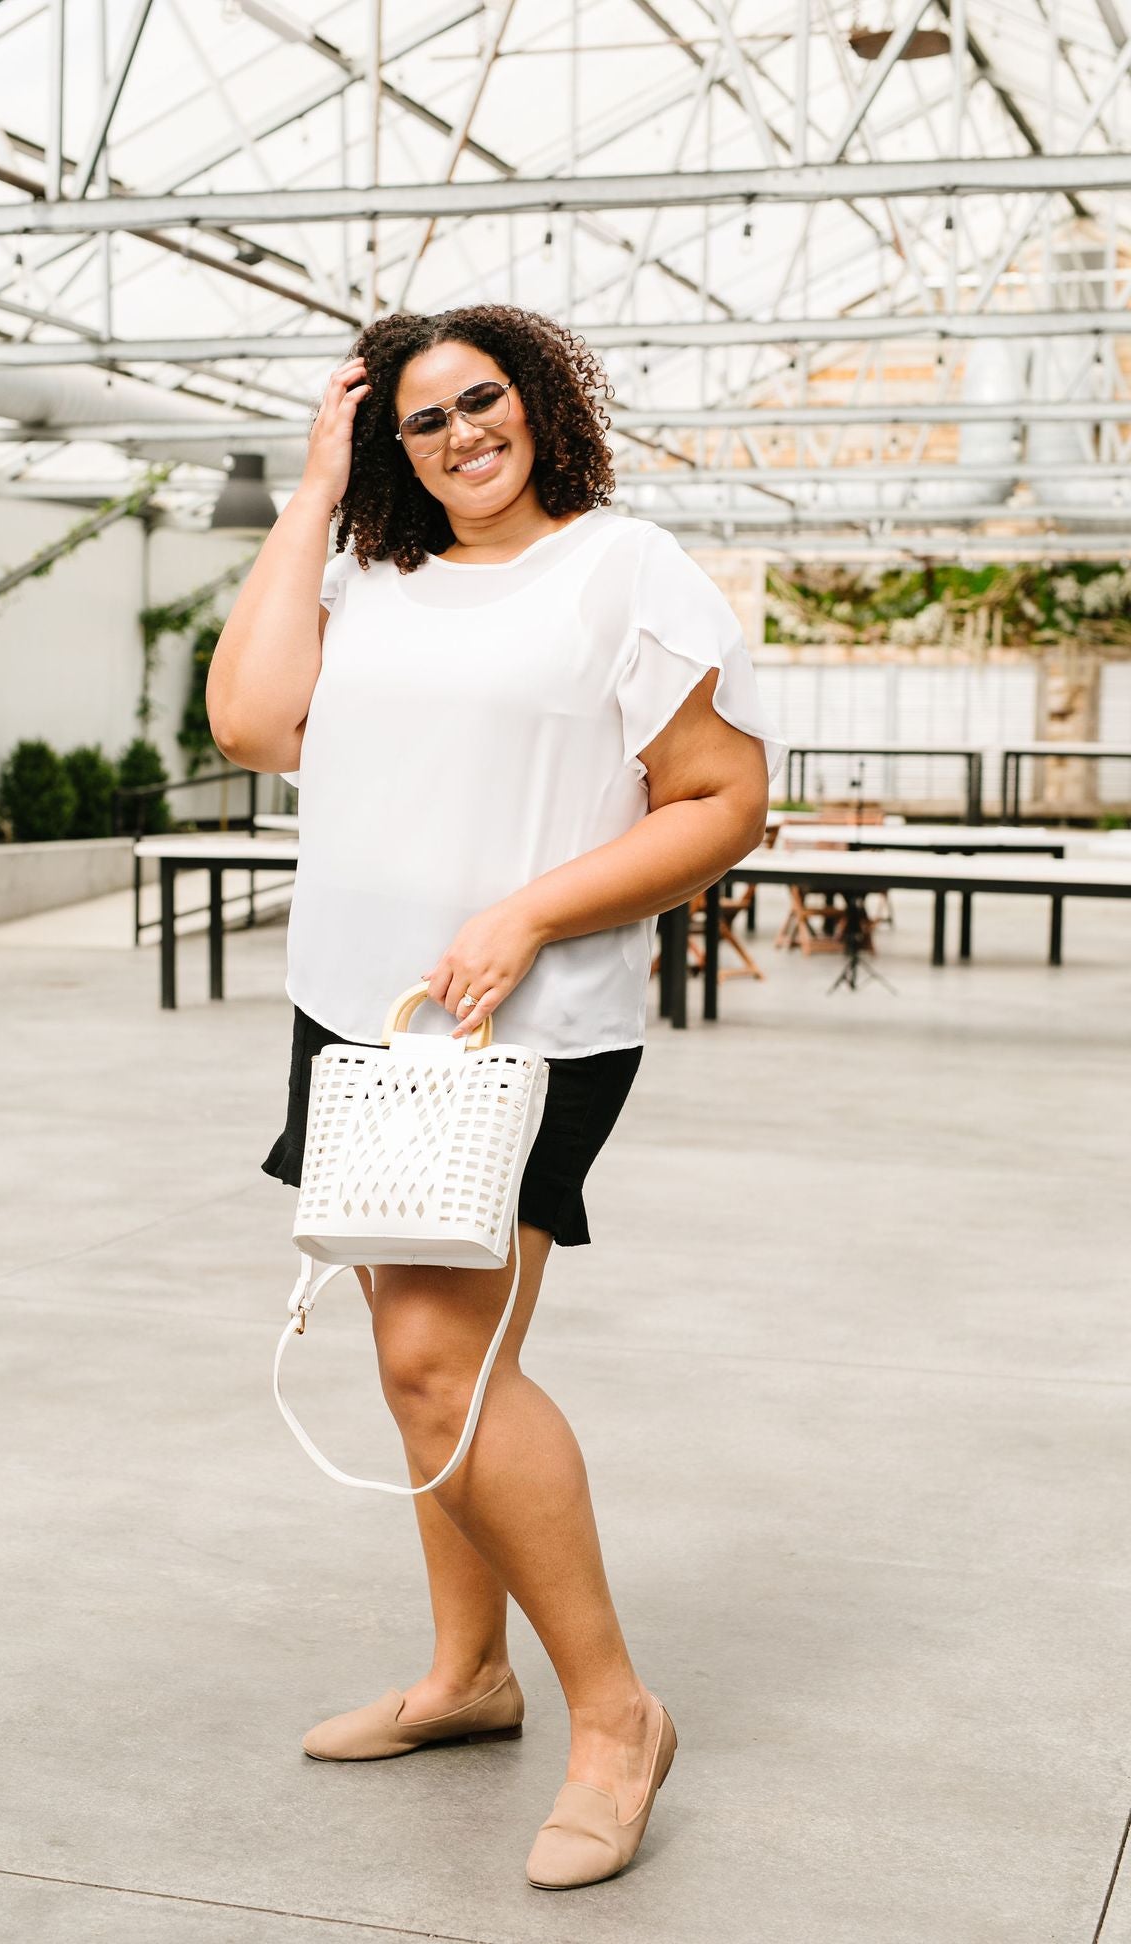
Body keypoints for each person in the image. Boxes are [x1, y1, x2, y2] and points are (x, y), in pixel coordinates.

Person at [207, 305, 784, 1891]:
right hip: (365, 1018)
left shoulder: (622, 570)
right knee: (435, 1376)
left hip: (530, 1025)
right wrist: (317, 489)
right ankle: (467, 1676)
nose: (464, 432)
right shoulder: (365, 575)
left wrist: (530, 910)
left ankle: (617, 1717)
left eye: (486, 398)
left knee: (431, 1364)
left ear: (540, 402)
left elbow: (725, 801)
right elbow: (254, 725)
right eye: (421, 418)